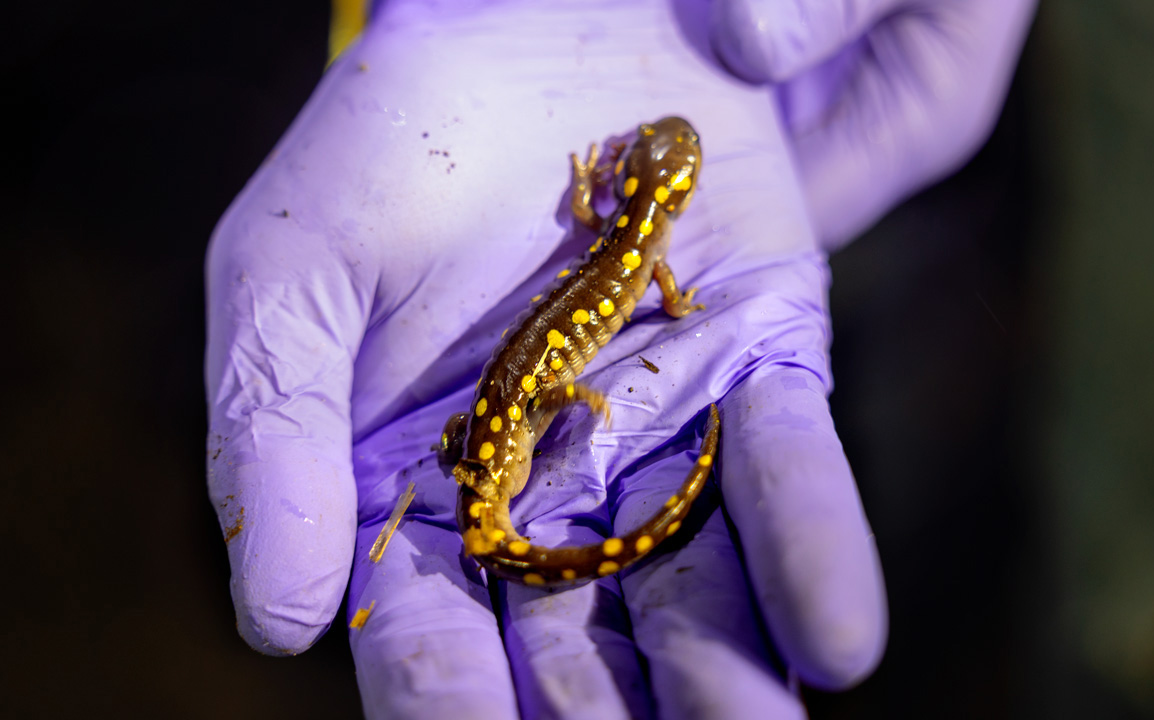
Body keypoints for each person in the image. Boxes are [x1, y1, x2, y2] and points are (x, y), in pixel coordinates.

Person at [204, 1, 1034, 717]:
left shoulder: (624, 231)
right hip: (502, 449)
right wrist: (589, 390)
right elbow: (659, 289)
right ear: (667, 193)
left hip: (491, 446)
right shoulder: (645, 246)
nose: (659, 144)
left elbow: (606, 236)